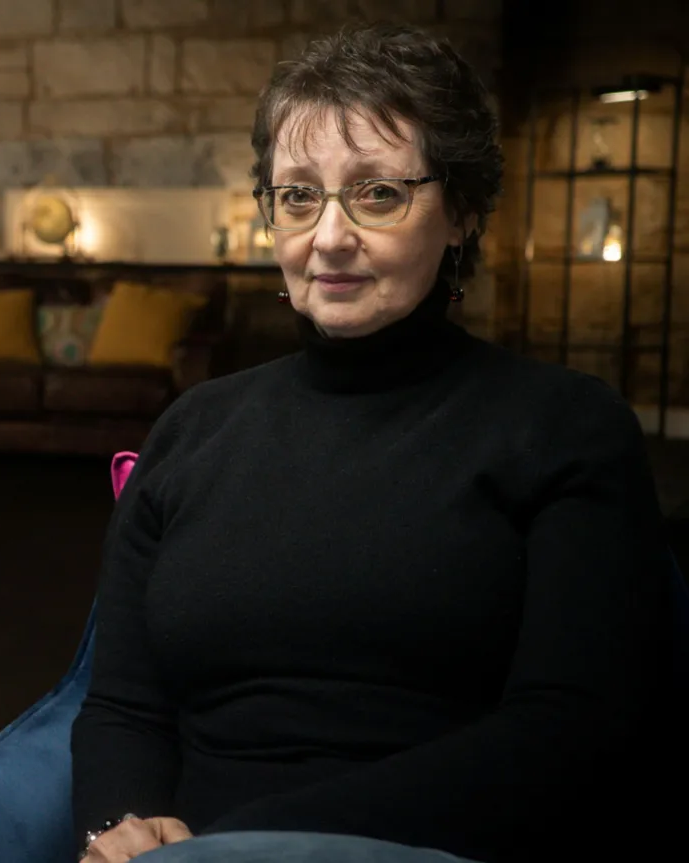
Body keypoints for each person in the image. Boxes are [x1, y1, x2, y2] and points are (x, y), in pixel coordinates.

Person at [71, 23, 675, 863]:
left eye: (378, 194)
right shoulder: (192, 427)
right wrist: (120, 825)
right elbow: (124, 704)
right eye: (298, 196)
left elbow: (567, 729)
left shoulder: (566, 427)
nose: (328, 237)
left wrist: (239, 848)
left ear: (460, 210)